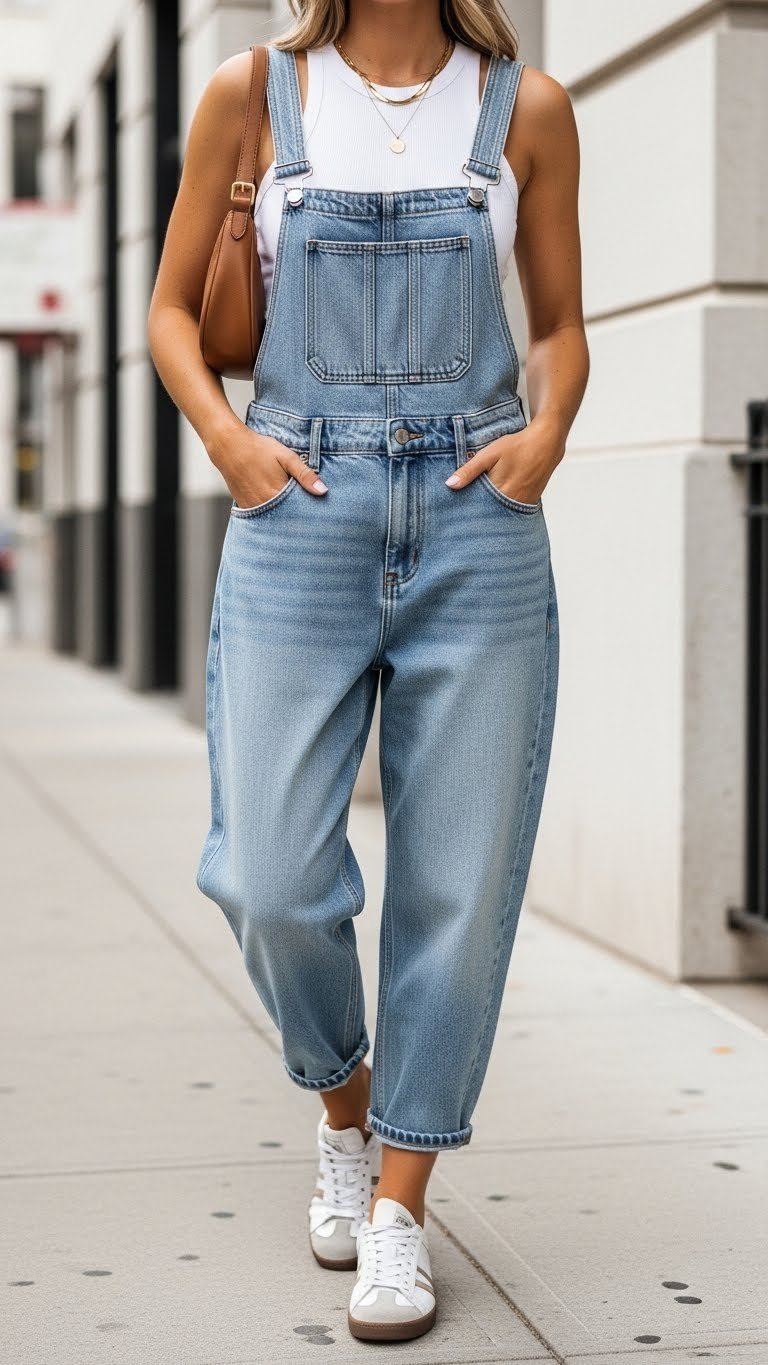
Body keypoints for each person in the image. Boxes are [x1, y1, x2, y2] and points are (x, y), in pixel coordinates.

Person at [148, 0, 588, 1344]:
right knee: (269, 875)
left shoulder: (529, 110)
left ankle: (401, 1204)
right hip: (299, 510)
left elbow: (561, 323)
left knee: (458, 889)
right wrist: (228, 446)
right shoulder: (252, 95)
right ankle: (343, 1103)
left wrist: (549, 431)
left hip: (476, 520)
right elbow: (171, 312)